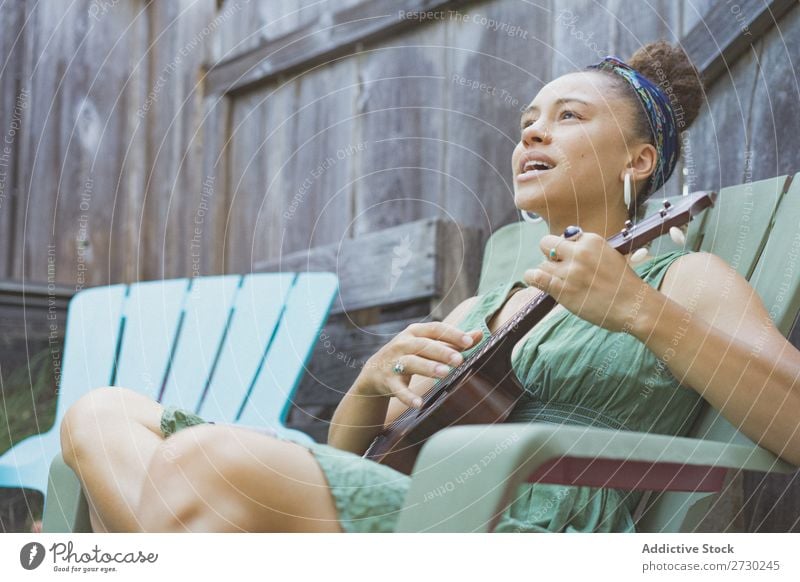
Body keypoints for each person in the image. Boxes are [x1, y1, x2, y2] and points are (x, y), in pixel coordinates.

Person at [60, 40, 800, 533]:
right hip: (426, 499)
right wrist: (370, 385)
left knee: (204, 466)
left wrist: (639, 311)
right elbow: (367, 453)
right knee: (98, 415)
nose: (532, 136)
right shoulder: (489, 303)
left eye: (567, 117)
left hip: (529, 525)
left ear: (637, 164)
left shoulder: (682, 278)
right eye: (527, 123)